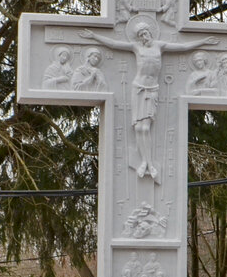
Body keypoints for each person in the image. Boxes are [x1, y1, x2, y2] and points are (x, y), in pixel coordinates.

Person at [80, 17, 219, 180]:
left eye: (144, 33)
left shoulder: (160, 46)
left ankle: (147, 163)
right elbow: (113, 44)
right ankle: (147, 163)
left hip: (152, 89)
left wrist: (203, 42)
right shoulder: (136, 47)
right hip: (138, 87)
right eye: (140, 35)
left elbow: (183, 47)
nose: (143, 37)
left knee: (145, 128)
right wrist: (94, 37)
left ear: (150, 32)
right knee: (138, 128)